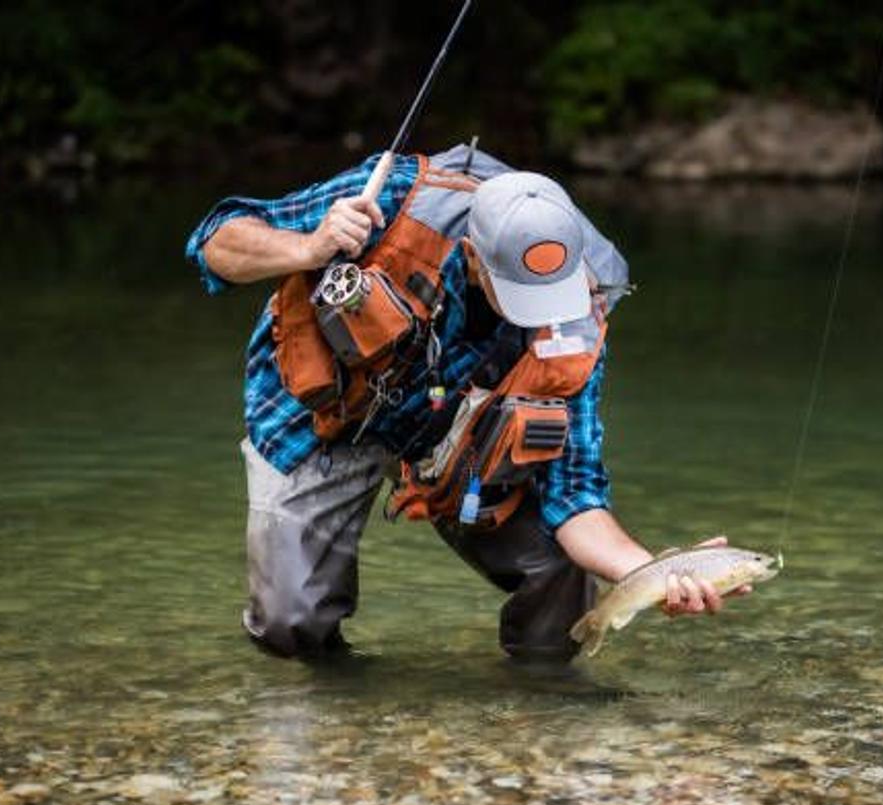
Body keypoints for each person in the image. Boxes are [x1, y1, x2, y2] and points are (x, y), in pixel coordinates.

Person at [185, 144, 750, 661]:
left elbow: (574, 494)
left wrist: (658, 574)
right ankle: (343, 725)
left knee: (562, 577)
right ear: (474, 257)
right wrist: (307, 247)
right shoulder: (392, 199)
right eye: (521, 297)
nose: (541, 316)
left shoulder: (581, 311)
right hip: (323, 418)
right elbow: (214, 240)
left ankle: (539, 718)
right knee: (291, 628)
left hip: (456, 441)